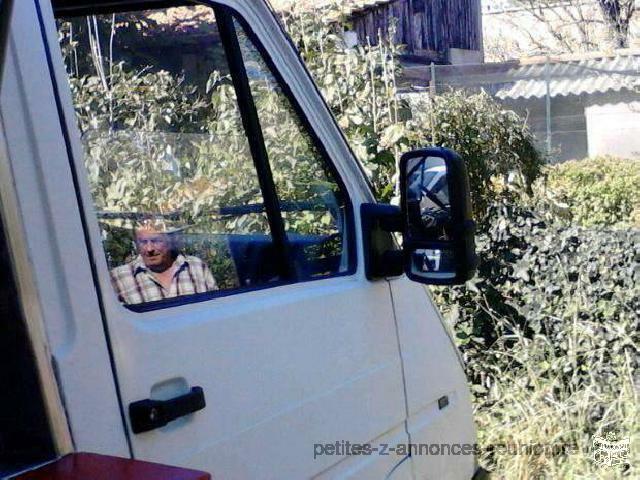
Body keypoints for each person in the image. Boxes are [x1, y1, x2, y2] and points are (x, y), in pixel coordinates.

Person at [110, 220, 218, 305]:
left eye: (156, 241)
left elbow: (216, 308)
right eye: (143, 242)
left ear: (170, 241)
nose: (149, 249)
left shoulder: (196, 267)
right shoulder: (119, 278)